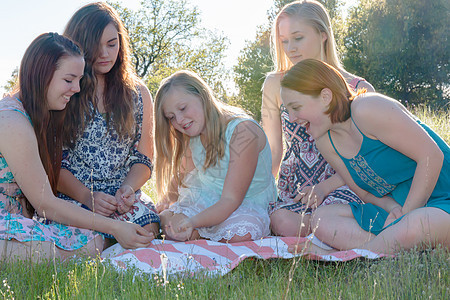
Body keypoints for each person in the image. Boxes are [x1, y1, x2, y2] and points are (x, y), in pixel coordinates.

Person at [0, 33, 153, 262]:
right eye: (69, 79)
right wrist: (115, 227)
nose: (77, 88)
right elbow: (46, 205)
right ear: (42, 75)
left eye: (79, 80)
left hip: (20, 219)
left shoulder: (39, 114)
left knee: (91, 242)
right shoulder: (11, 120)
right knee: (85, 247)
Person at [281, 59, 450, 254]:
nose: (292, 119)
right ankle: (402, 248)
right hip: (401, 208)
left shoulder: (367, 108)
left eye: (296, 107)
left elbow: (431, 156)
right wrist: (393, 207)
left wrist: (405, 214)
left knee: (415, 225)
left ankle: (341, 256)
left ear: (325, 96)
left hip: (441, 200)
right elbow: (364, 194)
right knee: (322, 219)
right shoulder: (325, 142)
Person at [262, 0, 375, 237]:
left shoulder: (358, 88)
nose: (290, 48)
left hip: (343, 180)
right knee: (281, 222)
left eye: (298, 37)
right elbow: (274, 150)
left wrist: (325, 188)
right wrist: (258, 195)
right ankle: (330, 234)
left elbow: (368, 154)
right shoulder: (275, 84)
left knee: (325, 219)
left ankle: (332, 230)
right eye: (284, 41)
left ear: (323, 34)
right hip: (296, 186)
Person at [54, 2, 159, 239]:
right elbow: (52, 163)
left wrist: (128, 189)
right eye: (95, 46)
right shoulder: (66, 88)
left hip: (119, 198)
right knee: (88, 238)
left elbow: (144, 160)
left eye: (112, 44)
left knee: (148, 230)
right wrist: (87, 197)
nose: (105, 54)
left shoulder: (138, 93)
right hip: (75, 195)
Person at [154, 70, 276, 242]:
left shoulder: (243, 131)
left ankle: (195, 235)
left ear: (202, 96)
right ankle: (195, 234)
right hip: (208, 197)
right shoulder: (192, 134)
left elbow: (231, 199)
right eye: (171, 117)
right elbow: (181, 177)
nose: (180, 120)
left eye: (183, 108)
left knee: (246, 230)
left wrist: (192, 222)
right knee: (167, 221)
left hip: (244, 203)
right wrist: (166, 203)